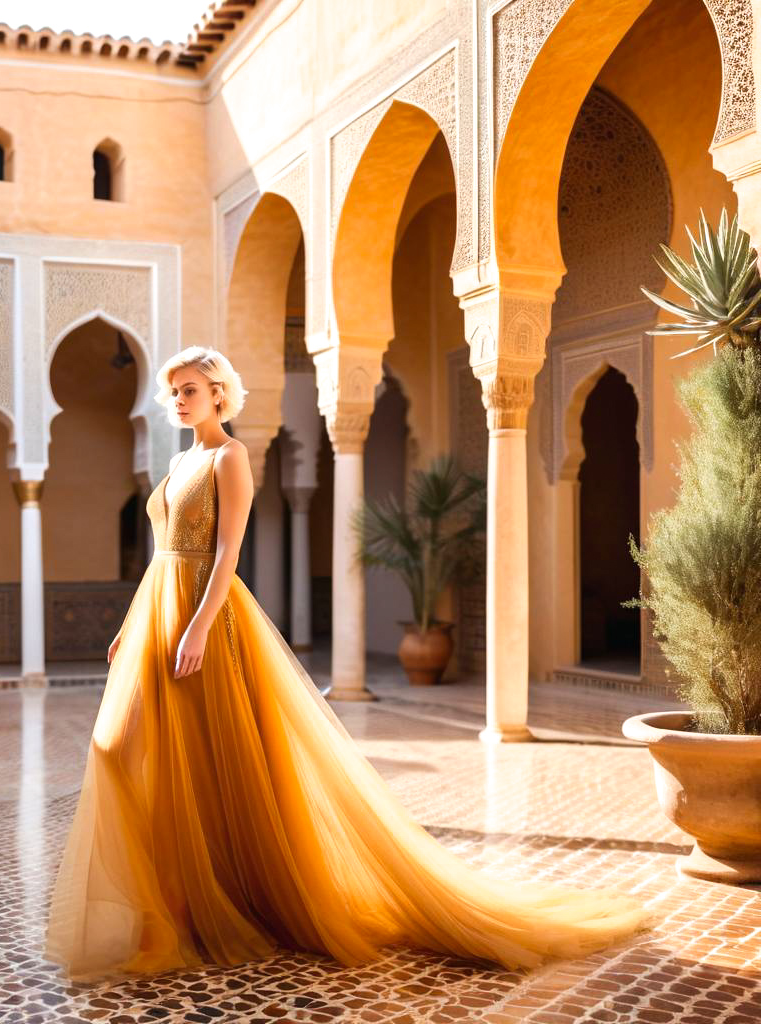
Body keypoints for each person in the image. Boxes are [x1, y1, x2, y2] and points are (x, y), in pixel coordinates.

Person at [44, 345, 659, 983]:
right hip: (157, 615)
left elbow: (226, 555)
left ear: (219, 395)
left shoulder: (231, 458)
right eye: (174, 391)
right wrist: (129, 624)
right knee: (126, 750)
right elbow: (161, 554)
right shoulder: (177, 461)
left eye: (191, 389)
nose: (179, 399)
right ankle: (177, 902)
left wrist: (197, 626)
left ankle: (222, 901)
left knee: (211, 760)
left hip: (205, 619)